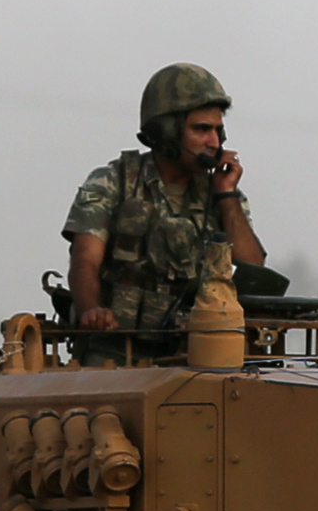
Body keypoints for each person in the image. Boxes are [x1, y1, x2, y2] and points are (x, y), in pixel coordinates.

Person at [62, 64, 268, 336]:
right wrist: (93, 311)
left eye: (219, 131)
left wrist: (226, 194)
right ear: (166, 132)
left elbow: (253, 270)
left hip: (198, 347)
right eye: (202, 129)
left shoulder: (222, 194)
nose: (214, 142)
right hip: (117, 344)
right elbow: (85, 261)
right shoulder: (114, 182)